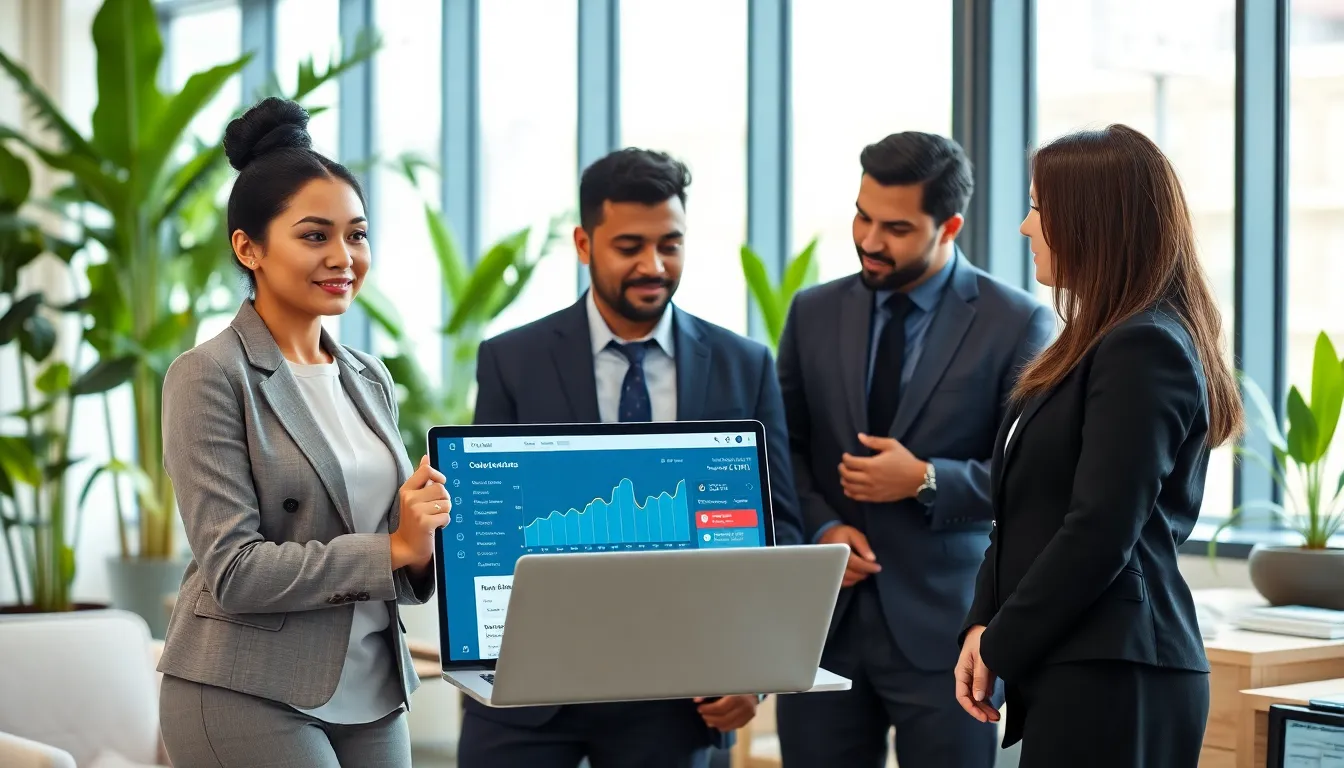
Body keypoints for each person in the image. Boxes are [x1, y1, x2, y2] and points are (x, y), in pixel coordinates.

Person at [459, 147, 804, 768]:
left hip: (679, 692)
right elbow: (490, 527)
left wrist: (751, 673)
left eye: (670, 245)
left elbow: (779, 529)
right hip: (531, 690)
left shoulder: (744, 365)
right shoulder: (511, 360)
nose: (654, 265)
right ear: (584, 244)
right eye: (630, 247)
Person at [156, 97, 450, 768]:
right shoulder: (208, 375)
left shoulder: (368, 376)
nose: (343, 257)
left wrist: (420, 543)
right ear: (248, 248)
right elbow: (235, 570)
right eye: (315, 236)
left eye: (357, 235)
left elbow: (388, 544)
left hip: (372, 684)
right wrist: (392, 548)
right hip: (245, 686)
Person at [954, 124, 1244, 767]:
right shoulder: (1091, 342)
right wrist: (982, 622)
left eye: (1039, 208)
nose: (1025, 227)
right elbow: (1023, 515)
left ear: (1093, 223)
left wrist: (999, 641)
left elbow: (1100, 530)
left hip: (1119, 672)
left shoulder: (1144, 345)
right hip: (1080, 663)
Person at [775, 132, 1055, 768]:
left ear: (949, 226)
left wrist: (926, 479)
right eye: (863, 217)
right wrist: (821, 528)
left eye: (896, 228)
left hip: (946, 633)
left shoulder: (1016, 322)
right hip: (822, 625)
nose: (870, 240)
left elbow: (1031, 479)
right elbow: (783, 449)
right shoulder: (812, 311)